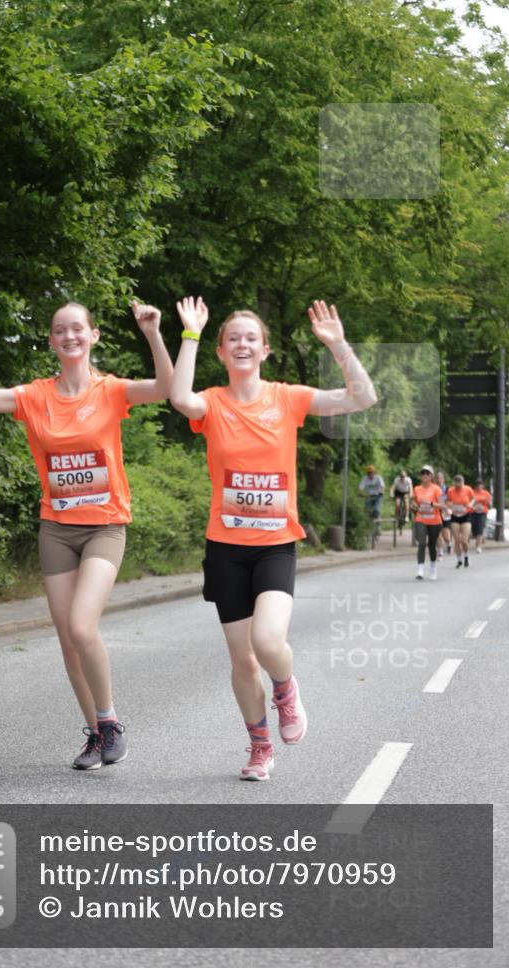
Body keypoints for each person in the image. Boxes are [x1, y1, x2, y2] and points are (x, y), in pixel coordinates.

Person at [0, 300, 173, 770]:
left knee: (81, 626)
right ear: (51, 341)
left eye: (77, 328)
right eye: (59, 330)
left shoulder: (111, 391)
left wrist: (153, 334)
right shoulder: (35, 396)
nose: (69, 336)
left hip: (104, 525)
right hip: (56, 528)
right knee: (68, 640)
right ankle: (96, 735)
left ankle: (110, 722)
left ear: (93, 335)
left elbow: (166, 388)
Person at [170, 296, 377, 781]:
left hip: (275, 543)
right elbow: (179, 398)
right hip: (226, 548)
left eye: (251, 338)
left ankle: (286, 688)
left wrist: (339, 345)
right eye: (233, 339)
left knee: (267, 641)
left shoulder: (287, 398)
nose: (242, 344)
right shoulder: (212, 403)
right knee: (242, 660)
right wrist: (190, 334)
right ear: (222, 352)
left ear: (265, 350)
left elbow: (363, 398)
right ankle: (259, 748)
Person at [410, 466, 444, 580]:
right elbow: (415, 503)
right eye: (423, 473)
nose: (424, 475)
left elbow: (442, 505)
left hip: (435, 521)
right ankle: (420, 570)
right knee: (422, 543)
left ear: (431, 476)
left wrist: (431, 504)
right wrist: (413, 506)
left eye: (427, 473)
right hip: (421, 519)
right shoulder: (417, 489)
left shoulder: (436, 489)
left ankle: (433, 568)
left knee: (432, 545)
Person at [445, 474, 474, 568]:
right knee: (457, 540)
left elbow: (474, 498)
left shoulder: (468, 489)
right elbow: (447, 501)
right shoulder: (451, 490)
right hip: (455, 516)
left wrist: (470, 504)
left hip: (466, 516)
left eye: (460, 483)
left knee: (464, 540)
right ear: (454, 483)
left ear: (463, 482)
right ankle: (459, 560)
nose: (458, 485)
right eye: (456, 483)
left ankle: (466, 556)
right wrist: (450, 505)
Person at [359, 465, 385, 532]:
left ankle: (378, 527)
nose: (370, 474)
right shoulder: (365, 479)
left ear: (374, 472)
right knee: (367, 511)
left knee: (376, 510)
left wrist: (382, 491)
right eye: (369, 473)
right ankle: (368, 527)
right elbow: (361, 487)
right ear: (367, 473)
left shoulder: (378, 478)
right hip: (369, 496)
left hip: (377, 496)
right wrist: (360, 492)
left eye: (372, 472)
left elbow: (382, 486)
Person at [469, 478, 492, 554]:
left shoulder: (486, 493)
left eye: (480, 485)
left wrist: (487, 502)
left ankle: (478, 546)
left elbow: (490, 504)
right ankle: (478, 540)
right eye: (477, 485)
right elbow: (468, 503)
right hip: (473, 512)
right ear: (475, 486)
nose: (479, 486)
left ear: (483, 486)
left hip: (482, 513)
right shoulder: (472, 493)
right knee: (474, 529)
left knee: (480, 528)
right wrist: (473, 507)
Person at [435, 470, 452, 559]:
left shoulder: (448, 489)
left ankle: (449, 544)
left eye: (440, 478)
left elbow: (451, 501)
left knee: (446, 536)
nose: (439, 480)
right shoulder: (433, 488)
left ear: (443, 479)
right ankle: (440, 552)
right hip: (436, 513)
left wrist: (446, 507)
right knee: (438, 533)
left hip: (445, 513)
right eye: (437, 478)